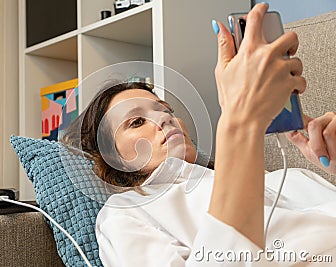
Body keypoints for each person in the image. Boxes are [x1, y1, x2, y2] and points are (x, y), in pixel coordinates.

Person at [62, 3, 336, 266]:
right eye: (136, 122)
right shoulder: (127, 214)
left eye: (165, 109)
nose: (164, 119)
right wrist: (239, 125)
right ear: (111, 157)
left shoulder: (287, 178)